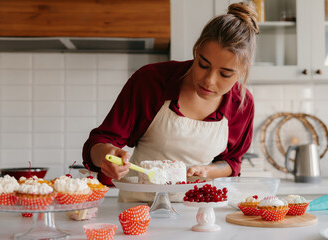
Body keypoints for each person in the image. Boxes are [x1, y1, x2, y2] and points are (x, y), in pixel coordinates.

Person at [82, 2, 259, 202]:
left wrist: (208, 170)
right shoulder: (151, 81)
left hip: (199, 213)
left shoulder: (241, 103)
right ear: (196, 49)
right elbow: (97, 144)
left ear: (243, 70)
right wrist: (106, 155)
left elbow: (232, 162)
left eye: (225, 74)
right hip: (138, 210)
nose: (209, 80)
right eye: (203, 64)